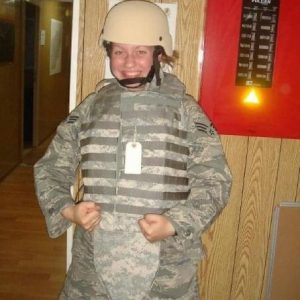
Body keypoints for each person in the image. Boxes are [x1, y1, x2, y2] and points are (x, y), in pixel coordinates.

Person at [34, 1, 232, 299]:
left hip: (166, 267)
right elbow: (50, 169)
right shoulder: (91, 108)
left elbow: (216, 181)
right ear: (109, 53)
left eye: (140, 51)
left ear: (158, 53)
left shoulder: (185, 111)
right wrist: (68, 210)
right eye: (119, 51)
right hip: (93, 266)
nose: (129, 62)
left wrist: (175, 223)